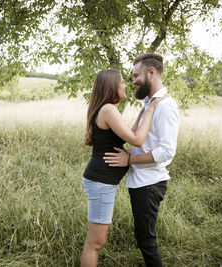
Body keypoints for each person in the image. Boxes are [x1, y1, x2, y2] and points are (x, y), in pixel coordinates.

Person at [81, 69, 167, 267]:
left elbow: (131, 132)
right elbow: (137, 140)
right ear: (112, 86)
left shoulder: (107, 109)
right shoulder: (108, 110)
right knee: (95, 243)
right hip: (100, 182)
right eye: (121, 82)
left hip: (101, 182)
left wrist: (144, 109)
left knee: (96, 241)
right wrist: (152, 109)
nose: (126, 85)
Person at [103, 53, 180, 267]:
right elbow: (138, 136)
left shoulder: (165, 106)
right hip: (141, 181)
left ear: (151, 72)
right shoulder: (149, 102)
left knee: (146, 239)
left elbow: (166, 152)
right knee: (142, 235)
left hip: (150, 182)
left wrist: (130, 160)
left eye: (136, 75)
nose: (133, 80)